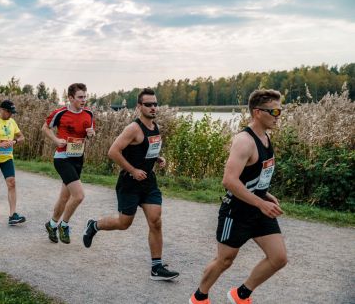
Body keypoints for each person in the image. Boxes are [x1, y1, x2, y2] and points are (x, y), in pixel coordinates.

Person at [189, 89, 287, 304]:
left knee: (278, 258)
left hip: (259, 208)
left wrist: (265, 194)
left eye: (280, 110)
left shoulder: (265, 137)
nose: (279, 115)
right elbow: (229, 180)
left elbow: (252, 175)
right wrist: (260, 201)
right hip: (237, 211)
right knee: (224, 260)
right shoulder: (244, 141)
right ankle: (199, 297)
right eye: (275, 111)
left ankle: (240, 294)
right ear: (258, 112)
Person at [82, 88, 179, 281]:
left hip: (149, 182)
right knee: (124, 223)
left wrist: (157, 157)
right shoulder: (133, 128)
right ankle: (94, 226)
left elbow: (145, 148)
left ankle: (156, 267)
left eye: (155, 104)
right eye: (148, 104)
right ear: (139, 107)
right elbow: (113, 151)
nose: (153, 107)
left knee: (156, 221)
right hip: (129, 183)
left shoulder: (155, 127)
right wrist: (133, 170)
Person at [43, 83, 95, 244]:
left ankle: (51, 224)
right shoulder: (61, 113)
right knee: (78, 196)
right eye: (80, 97)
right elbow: (45, 127)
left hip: (78, 158)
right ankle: (64, 225)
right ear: (70, 98)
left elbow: (90, 134)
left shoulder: (88, 114)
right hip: (62, 158)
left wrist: (92, 134)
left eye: (85, 97)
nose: (83, 100)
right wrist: (56, 139)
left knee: (65, 197)